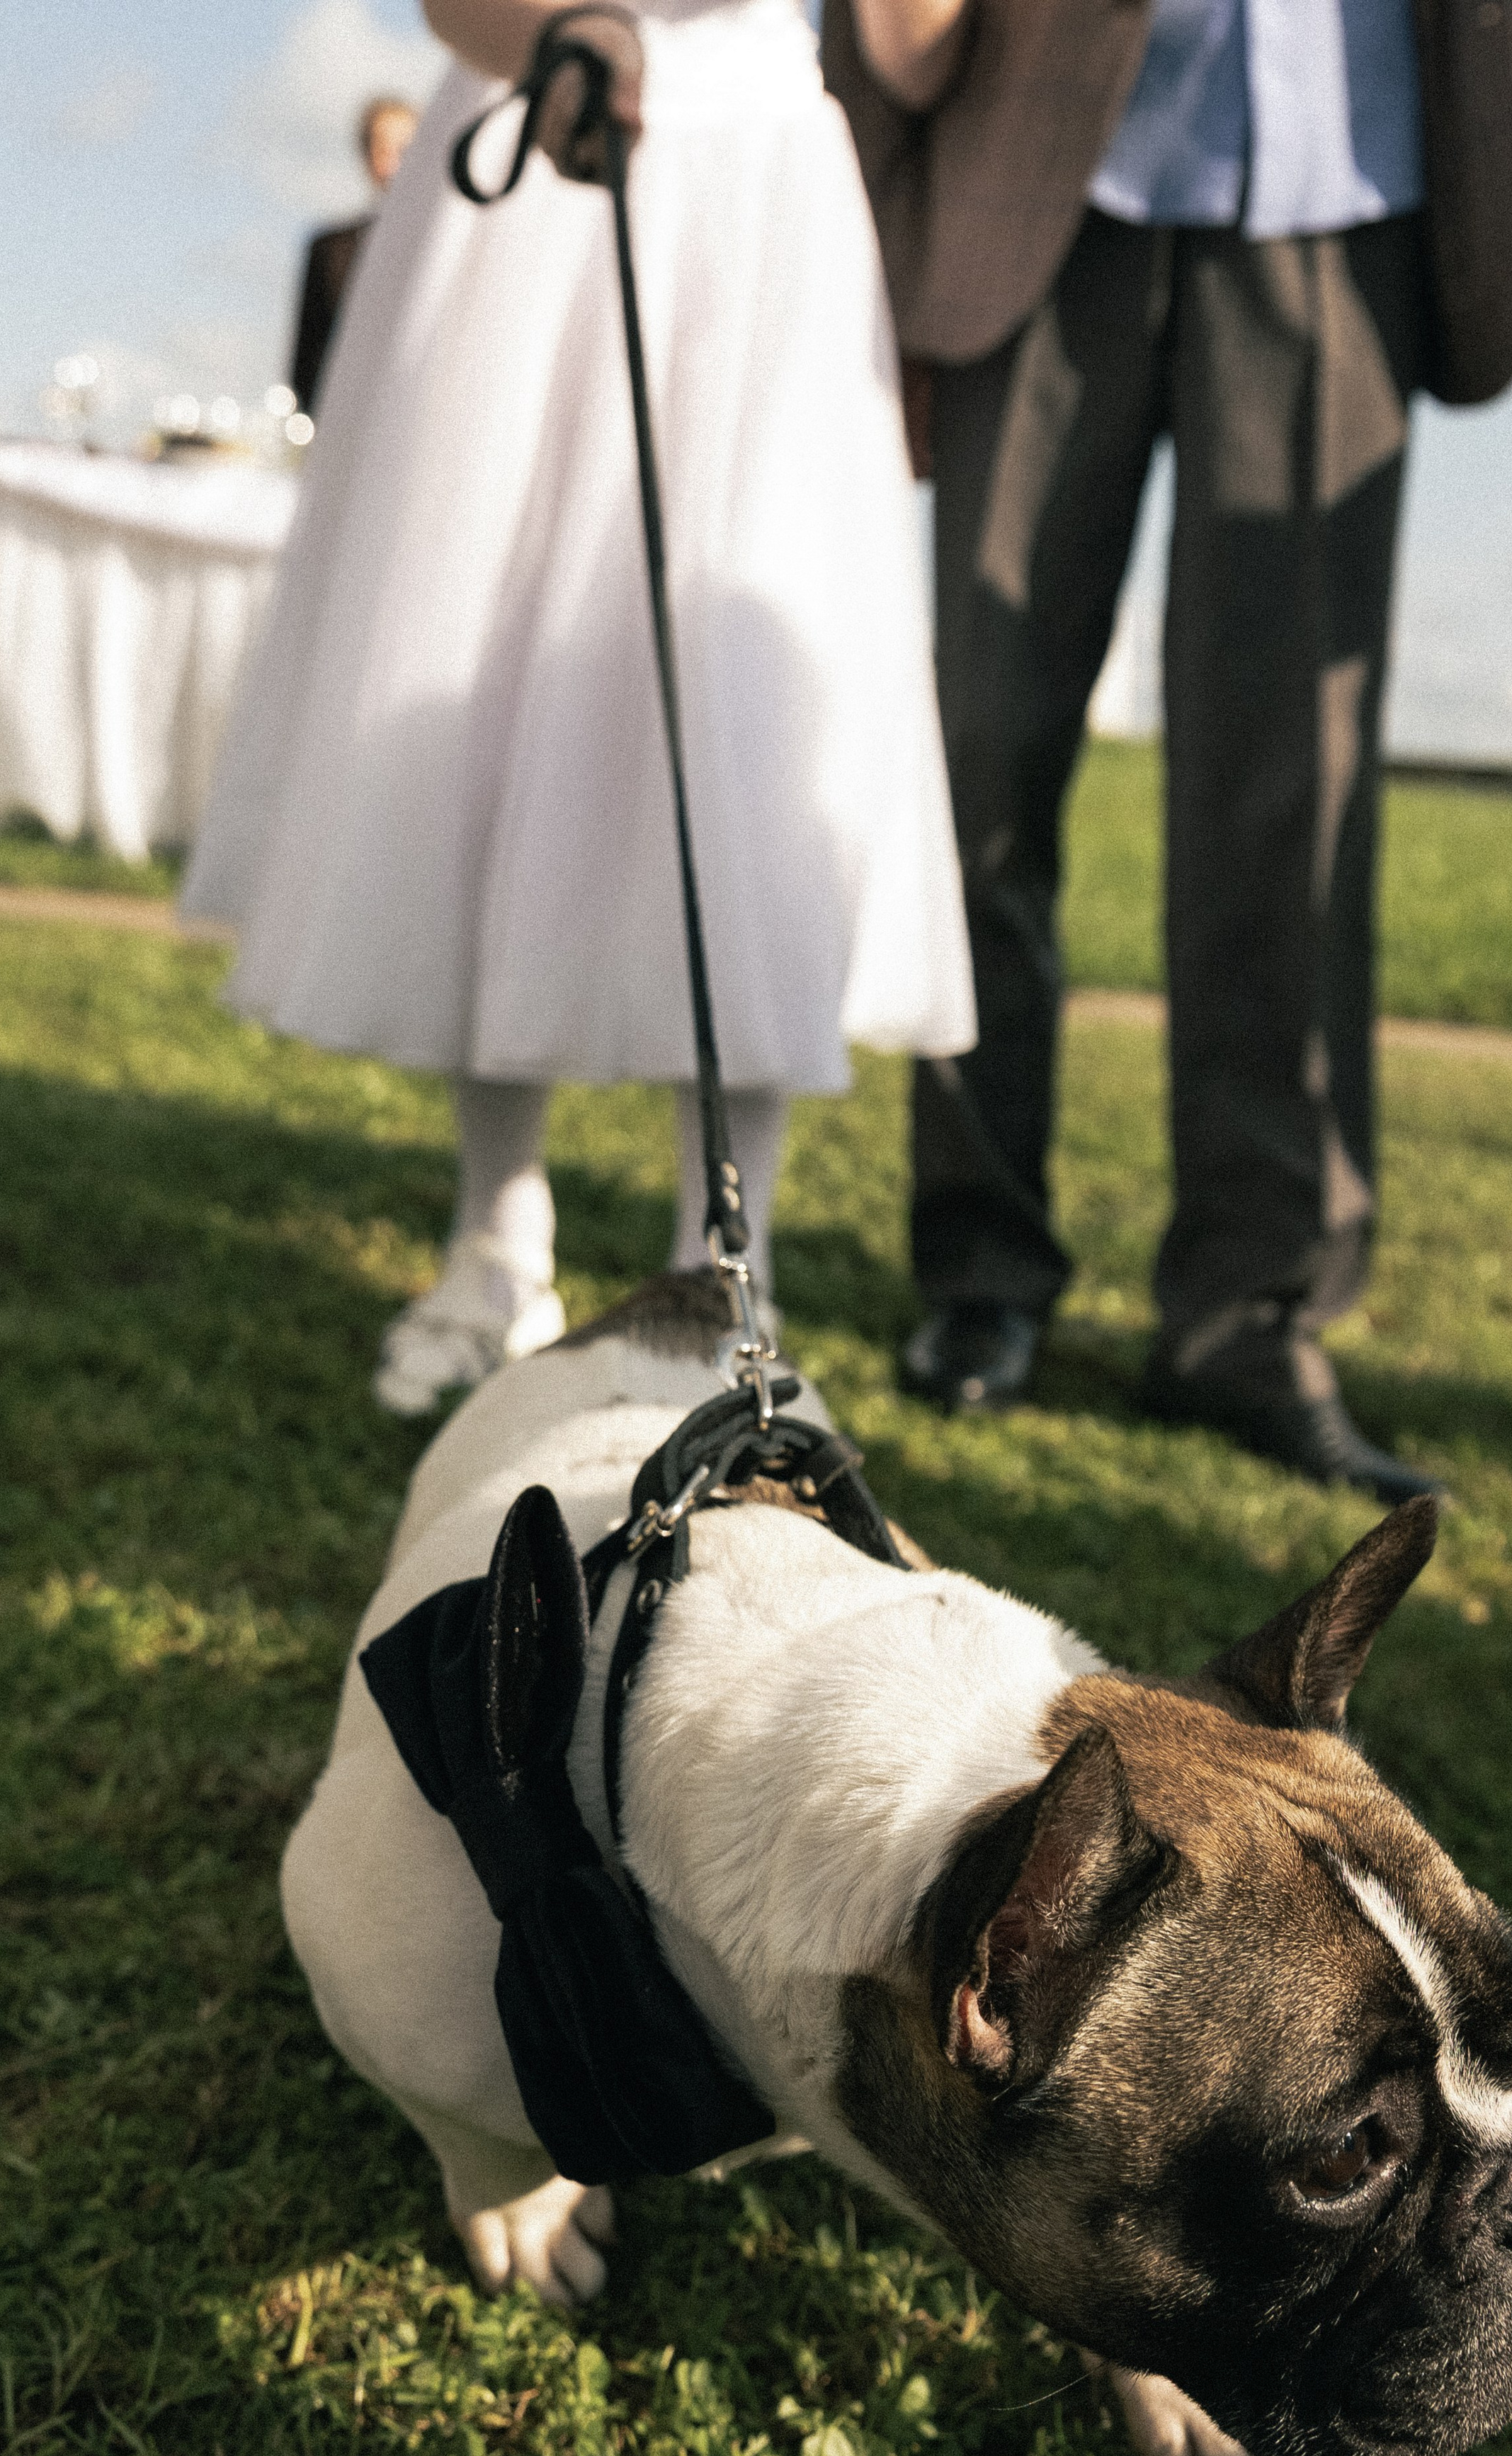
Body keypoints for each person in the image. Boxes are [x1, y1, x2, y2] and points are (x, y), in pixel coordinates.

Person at [826, 0, 1512, 1499]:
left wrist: (1462, 84)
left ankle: (1250, 1317)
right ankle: (979, 1268)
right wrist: (874, 232)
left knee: (1289, 800)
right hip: (1039, 192)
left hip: (1346, 194)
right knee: (985, 751)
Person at [183, 0, 972, 1412]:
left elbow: (915, 45)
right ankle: (496, 1240)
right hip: (542, 152)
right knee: (474, 664)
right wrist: (564, 30)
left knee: (744, 700)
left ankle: (727, 1273)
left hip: (761, 188)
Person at [289, 95, 421, 415]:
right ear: (365, 155)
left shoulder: (439, 252)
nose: (392, 165)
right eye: (381, 150)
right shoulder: (330, 249)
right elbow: (306, 367)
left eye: (404, 150)